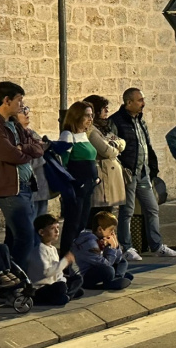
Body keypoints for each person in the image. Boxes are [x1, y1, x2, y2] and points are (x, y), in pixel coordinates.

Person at [109, 88, 176, 260]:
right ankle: (126, 247)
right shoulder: (117, 121)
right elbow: (114, 147)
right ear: (128, 102)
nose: (143, 103)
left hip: (143, 172)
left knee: (152, 207)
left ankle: (157, 245)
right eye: (139, 100)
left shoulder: (140, 120)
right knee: (127, 211)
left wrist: (152, 167)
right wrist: (124, 168)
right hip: (129, 172)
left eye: (142, 100)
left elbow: (146, 145)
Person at [0, 81, 43, 271]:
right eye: (19, 100)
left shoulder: (14, 124)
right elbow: (8, 154)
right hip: (9, 190)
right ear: (6, 100)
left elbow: (39, 147)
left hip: (25, 187)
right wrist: (25, 152)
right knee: (26, 236)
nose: (21, 105)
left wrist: (23, 148)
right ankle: (18, 278)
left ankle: (8, 275)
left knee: (13, 236)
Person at [58, 101, 100, 255]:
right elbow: (63, 164)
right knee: (73, 224)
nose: (90, 119)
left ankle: (77, 256)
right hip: (77, 188)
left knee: (82, 223)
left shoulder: (84, 135)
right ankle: (65, 258)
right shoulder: (68, 136)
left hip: (89, 186)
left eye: (92, 115)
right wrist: (76, 183)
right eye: (86, 116)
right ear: (76, 117)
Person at [83, 95, 127, 229]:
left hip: (110, 177)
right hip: (103, 180)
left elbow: (122, 141)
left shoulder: (105, 128)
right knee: (99, 218)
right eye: (104, 109)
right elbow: (107, 151)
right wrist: (115, 147)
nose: (107, 111)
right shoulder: (92, 132)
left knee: (108, 215)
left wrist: (114, 145)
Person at [27, 214, 84, 305]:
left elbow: (58, 274)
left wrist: (63, 280)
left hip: (54, 283)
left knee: (78, 280)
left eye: (57, 227)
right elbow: (47, 272)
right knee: (60, 287)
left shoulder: (53, 249)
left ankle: (65, 296)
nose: (57, 231)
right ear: (42, 232)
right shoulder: (39, 250)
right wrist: (65, 261)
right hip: (41, 287)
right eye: (53, 228)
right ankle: (63, 296)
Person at [14, 105, 52, 217]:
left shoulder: (31, 132)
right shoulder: (14, 135)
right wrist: (36, 150)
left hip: (41, 182)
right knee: (31, 219)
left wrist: (33, 149)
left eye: (26, 109)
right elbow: (33, 155)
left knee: (42, 220)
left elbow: (40, 150)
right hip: (29, 183)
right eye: (22, 111)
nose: (27, 113)